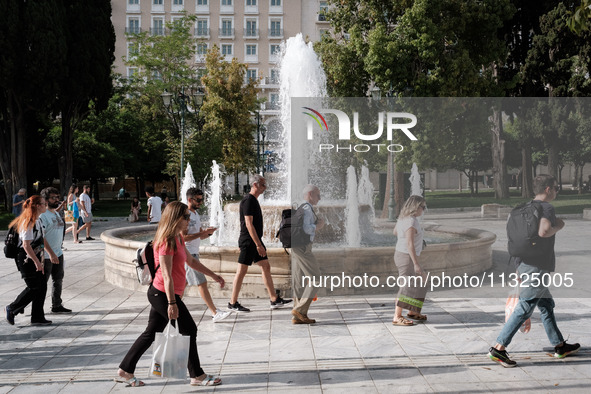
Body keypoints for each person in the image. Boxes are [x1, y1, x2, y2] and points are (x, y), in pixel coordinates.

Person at [116, 202, 223, 387]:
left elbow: (190, 261)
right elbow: (166, 275)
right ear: (175, 218)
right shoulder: (166, 241)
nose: (190, 220)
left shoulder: (179, 238)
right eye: (186, 217)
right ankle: (197, 375)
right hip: (162, 294)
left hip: (168, 294)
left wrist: (213, 275)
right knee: (189, 329)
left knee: (151, 332)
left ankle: (125, 370)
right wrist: (172, 303)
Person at [488, 174, 580, 367]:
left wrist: (518, 269)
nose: (557, 191)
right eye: (556, 187)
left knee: (546, 304)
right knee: (525, 306)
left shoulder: (522, 208)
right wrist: (560, 224)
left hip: (523, 263)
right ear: (547, 189)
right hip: (538, 266)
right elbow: (544, 231)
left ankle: (560, 345)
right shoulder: (546, 207)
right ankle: (499, 348)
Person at [228, 175, 292, 312]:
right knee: (241, 271)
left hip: (255, 240)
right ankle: (232, 302)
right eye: (263, 184)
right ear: (255, 185)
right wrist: (258, 244)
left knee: (265, 266)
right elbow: (248, 224)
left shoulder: (253, 200)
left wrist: (259, 243)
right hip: (249, 241)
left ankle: (274, 299)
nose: (265, 187)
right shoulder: (248, 201)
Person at [184, 188, 232, 322]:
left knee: (182, 285)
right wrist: (201, 233)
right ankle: (215, 312)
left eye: (201, 200)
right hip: (189, 254)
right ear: (189, 199)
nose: (201, 203)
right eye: (198, 200)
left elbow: (199, 235)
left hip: (193, 253)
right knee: (202, 283)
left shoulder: (195, 214)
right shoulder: (185, 214)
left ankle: (169, 307)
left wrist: (209, 232)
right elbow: (183, 237)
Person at [5, 195, 52, 326]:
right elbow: (26, 245)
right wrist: (37, 262)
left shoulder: (38, 220)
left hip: (36, 256)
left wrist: (49, 254)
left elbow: (41, 239)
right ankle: (12, 308)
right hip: (26, 258)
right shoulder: (28, 221)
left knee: (42, 286)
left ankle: (37, 316)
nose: (46, 206)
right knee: (34, 286)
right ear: (37, 206)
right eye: (43, 204)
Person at [392, 195, 428, 326]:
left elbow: (395, 231)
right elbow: (409, 244)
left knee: (421, 282)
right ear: (415, 207)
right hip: (406, 256)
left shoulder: (404, 219)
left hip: (403, 254)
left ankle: (413, 311)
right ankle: (397, 316)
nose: (423, 210)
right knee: (406, 285)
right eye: (422, 207)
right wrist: (416, 264)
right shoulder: (411, 221)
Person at [291, 185, 324, 325]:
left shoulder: (300, 206)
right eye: (318, 195)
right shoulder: (307, 209)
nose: (319, 198)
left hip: (296, 246)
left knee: (298, 281)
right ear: (310, 194)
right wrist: (318, 226)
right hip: (303, 248)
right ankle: (299, 309)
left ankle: (298, 316)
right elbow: (306, 228)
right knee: (316, 278)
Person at [39, 187, 72, 314]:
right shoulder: (42, 216)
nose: (57, 200)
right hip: (47, 255)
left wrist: (57, 252)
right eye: (53, 198)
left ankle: (56, 305)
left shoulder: (56, 213)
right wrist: (51, 253)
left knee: (58, 280)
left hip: (58, 252)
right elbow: (41, 237)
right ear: (46, 200)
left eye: (57, 197)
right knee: (42, 284)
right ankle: (37, 310)